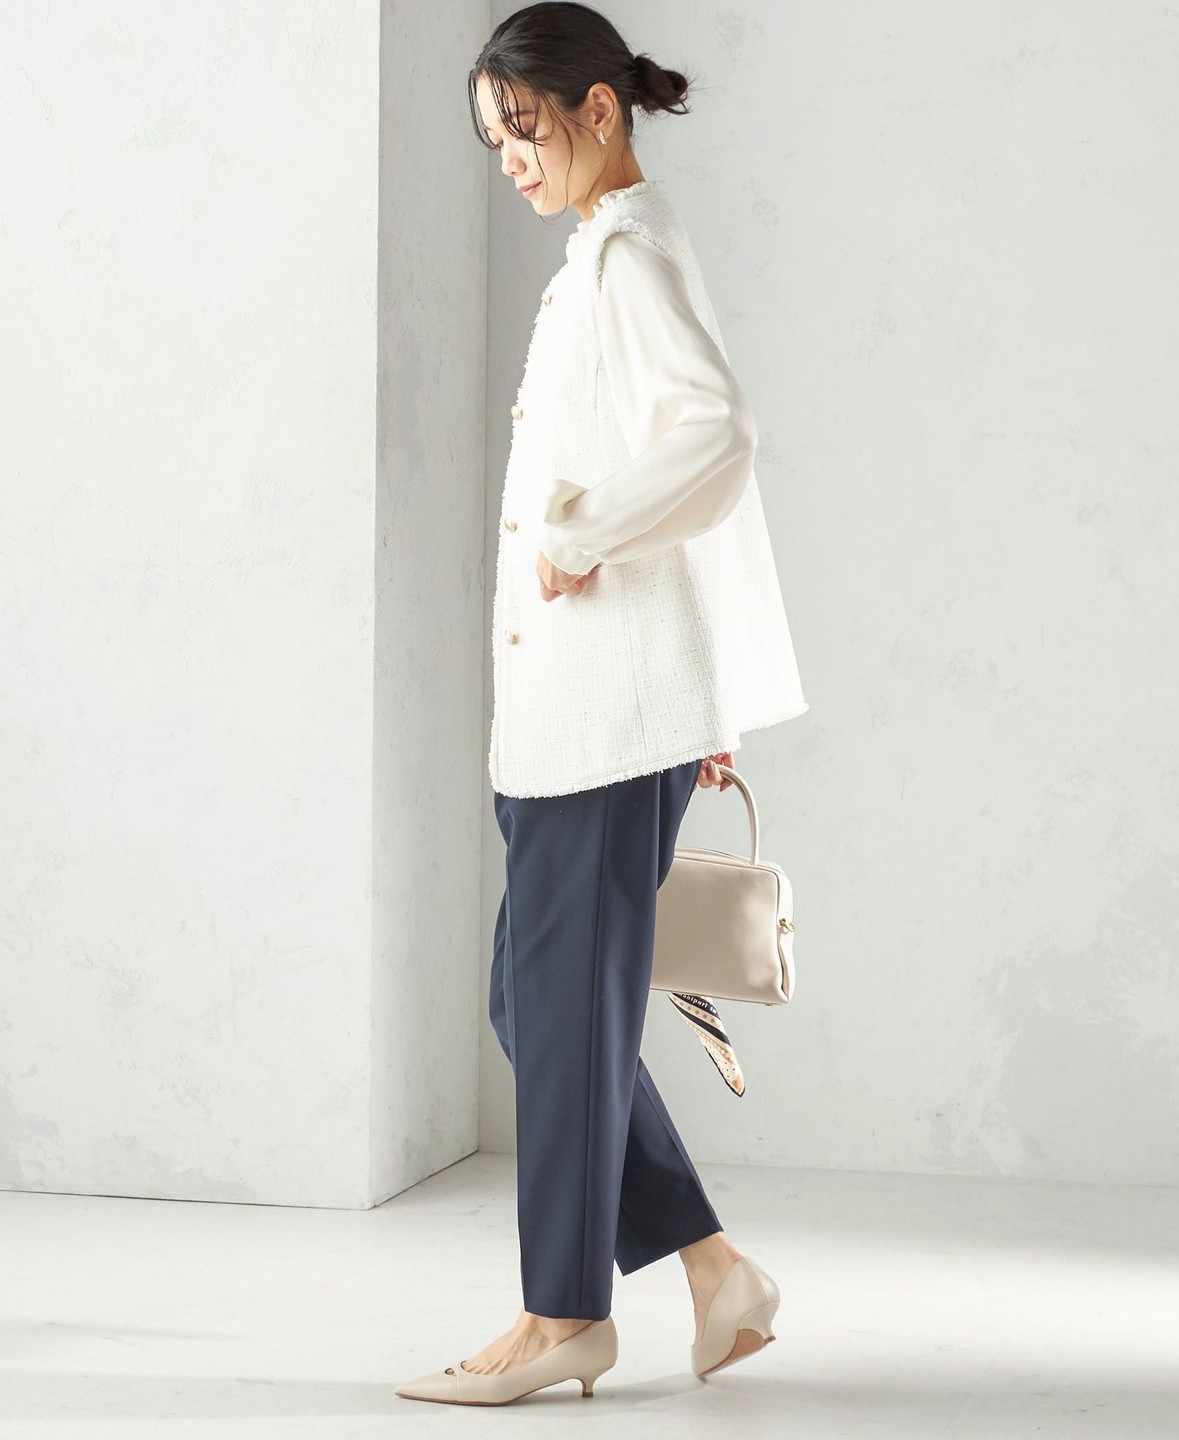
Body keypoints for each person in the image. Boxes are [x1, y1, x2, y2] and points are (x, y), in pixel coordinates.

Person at [394, 0, 807, 1407]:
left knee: (560, 1006)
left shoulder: (628, 251)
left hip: (608, 713)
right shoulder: (603, 249)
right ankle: (712, 1266)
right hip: (585, 710)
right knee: (537, 1000)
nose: (510, 156)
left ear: (598, 110)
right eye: (493, 137)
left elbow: (716, 434)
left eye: (524, 127)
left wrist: (584, 537)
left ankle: (562, 1315)